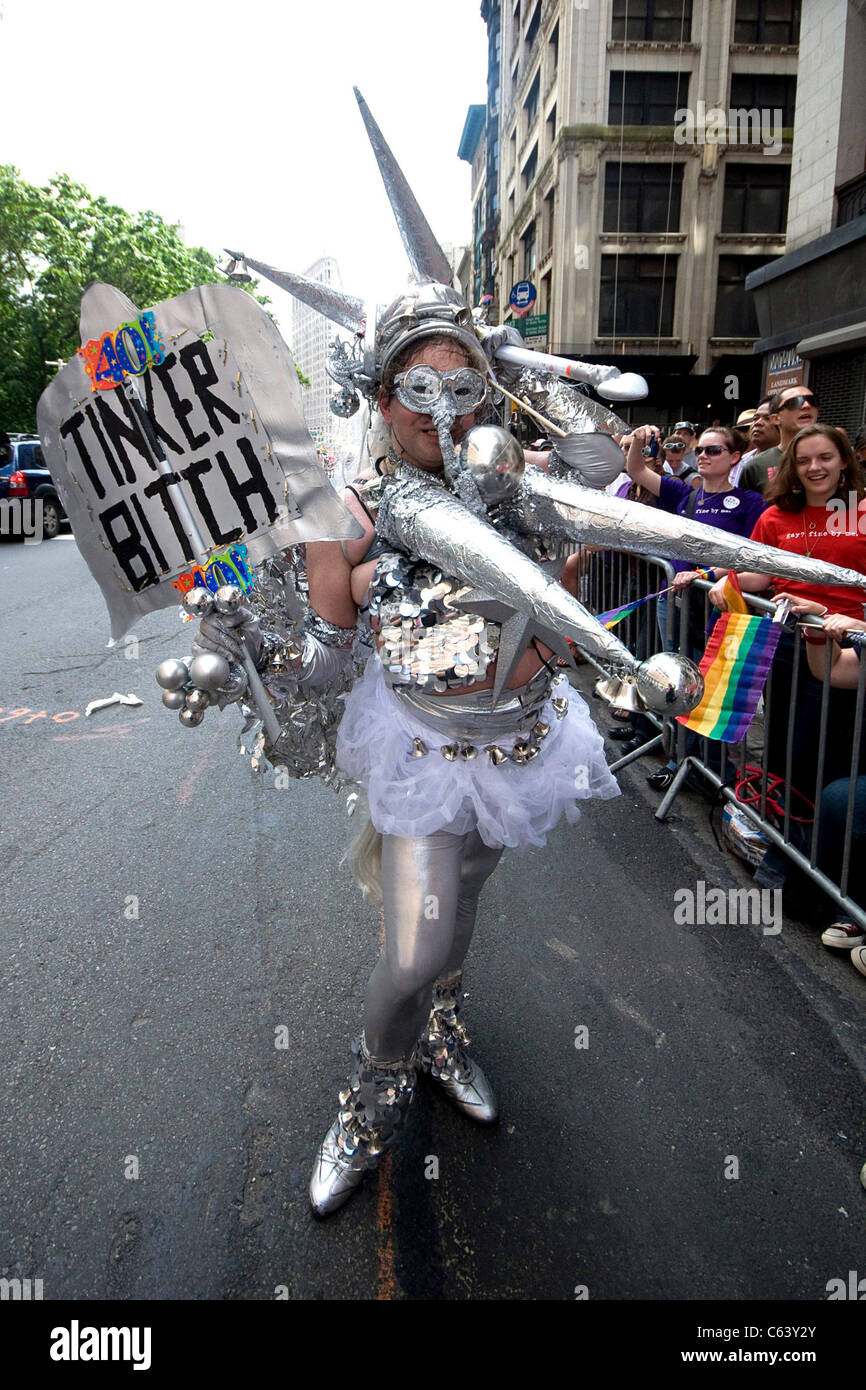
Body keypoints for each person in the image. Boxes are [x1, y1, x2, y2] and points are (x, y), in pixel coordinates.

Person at [626, 426, 766, 789]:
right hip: (672, 603)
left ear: (735, 457)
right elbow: (637, 471)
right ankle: (679, 759)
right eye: (700, 449)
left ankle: (711, 772)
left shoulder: (749, 502)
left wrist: (707, 573)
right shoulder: (684, 494)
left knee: (712, 688)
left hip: (719, 607)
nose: (703, 455)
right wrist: (640, 441)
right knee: (679, 686)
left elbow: (754, 554)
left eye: (714, 450)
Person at [738, 386, 819, 494]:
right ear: (775, 418)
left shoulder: (838, 455)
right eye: (794, 403)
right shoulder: (755, 466)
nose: (806, 406)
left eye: (812, 401)